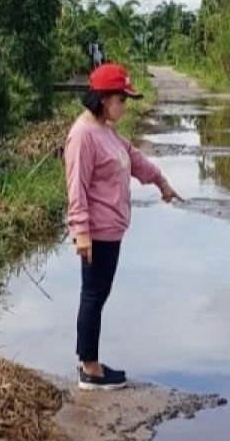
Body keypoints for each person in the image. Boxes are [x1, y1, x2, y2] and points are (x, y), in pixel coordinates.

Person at [63, 63, 179, 391]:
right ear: (104, 100)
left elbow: (134, 158)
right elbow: (77, 188)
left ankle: (89, 360)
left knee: (99, 295)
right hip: (96, 232)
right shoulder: (83, 135)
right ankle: (90, 369)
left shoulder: (106, 131)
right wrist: (81, 232)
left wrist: (161, 182)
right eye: (122, 100)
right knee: (93, 295)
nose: (125, 106)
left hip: (111, 230)